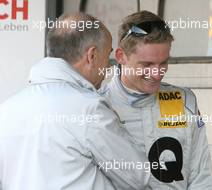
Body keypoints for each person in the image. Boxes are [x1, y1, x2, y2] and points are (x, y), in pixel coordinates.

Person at [0, 13, 150, 190]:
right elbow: (138, 175)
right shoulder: (89, 108)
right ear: (92, 56)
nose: (108, 66)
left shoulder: (7, 110)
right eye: (107, 55)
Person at [100, 11, 212, 189]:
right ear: (121, 56)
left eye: (163, 63)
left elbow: (202, 176)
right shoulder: (99, 106)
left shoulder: (185, 100)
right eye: (147, 65)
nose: (157, 73)